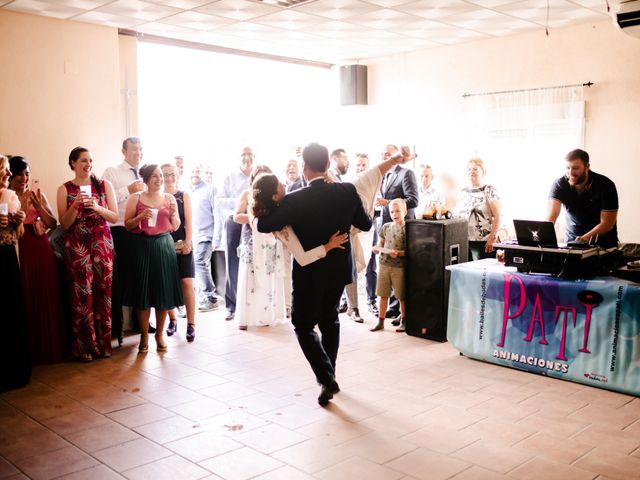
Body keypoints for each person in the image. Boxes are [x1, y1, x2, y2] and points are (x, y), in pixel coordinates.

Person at [257, 142, 372, 407]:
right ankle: (328, 375)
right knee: (330, 320)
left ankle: (326, 377)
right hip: (338, 268)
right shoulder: (347, 190)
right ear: (328, 165)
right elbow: (365, 223)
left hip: (309, 272)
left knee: (303, 325)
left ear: (305, 167)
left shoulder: (294, 199)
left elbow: (264, 224)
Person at [57, 147, 118, 362]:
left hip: (102, 245)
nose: (88, 164)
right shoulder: (64, 189)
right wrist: (75, 205)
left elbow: (114, 216)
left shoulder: (103, 185)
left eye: (90, 160)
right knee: (82, 295)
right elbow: (64, 223)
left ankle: (104, 345)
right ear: (73, 163)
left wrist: (98, 208)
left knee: (104, 292)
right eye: (83, 160)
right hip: (77, 246)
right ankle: (85, 347)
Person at [9, 156, 66, 364]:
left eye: (28, 173)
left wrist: (39, 207)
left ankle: (49, 348)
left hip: (41, 249)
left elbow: (53, 223)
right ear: (11, 175)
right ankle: (29, 351)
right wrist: (22, 208)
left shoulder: (38, 195)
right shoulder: (5, 197)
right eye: (21, 174)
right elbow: (9, 226)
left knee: (45, 294)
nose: (25, 178)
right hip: (20, 247)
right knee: (25, 294)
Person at [123, 164, 183, 353]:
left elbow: (175, 226)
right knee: (143, 293)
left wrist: (173, 212)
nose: (159, 179)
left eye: (161, 176)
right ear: (146, 179)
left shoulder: (169, 198)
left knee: (163, 292)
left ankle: (159, 335)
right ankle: (143, 335)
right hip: (142, 246)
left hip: (164, 246)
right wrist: (140, 216)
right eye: (155, 176)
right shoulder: (136, 198)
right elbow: (127, 225)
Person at [102, 137, 145, 344]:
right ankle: (118, 325)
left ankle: (141, 321)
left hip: (141, 230)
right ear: (124, 151)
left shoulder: (145, 174)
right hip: (118, 230)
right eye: (134, 149)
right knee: (121, 279)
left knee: (140, 276)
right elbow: (103, 200)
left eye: (140, 149)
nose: (138, 152)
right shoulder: (112, 172)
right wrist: (128, 190)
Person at [233, 165, 286, 330]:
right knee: (249, 275)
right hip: (251, 240)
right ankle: (245, 317)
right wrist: (253, 218)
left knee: (268, 276)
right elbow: (236, 216)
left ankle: (264, 316)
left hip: (269, 240)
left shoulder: (274, 196)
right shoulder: (247, 194)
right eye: (259, 175)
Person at [376, 144, 419, 320]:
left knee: (401, 271)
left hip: (403, 228)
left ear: (398, 155)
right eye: (382, 154)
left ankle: (404, 314)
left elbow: (413, 200)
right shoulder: (385, 175)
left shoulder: (406, 173)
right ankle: (393, 308)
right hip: (387, 227)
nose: (384, 156)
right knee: (388, 268)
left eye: (388, 153)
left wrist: (389, 203)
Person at [0, 154, 31, 391]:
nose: (8, 175)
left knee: (11, 308)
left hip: (7, 256)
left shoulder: (9, 197)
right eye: (4, 170)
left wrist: (17, 220)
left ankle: (15, 370)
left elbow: (18, 234)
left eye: (9, 170)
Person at [546, 148, 618, 248]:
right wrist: (541, 235)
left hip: (603, 246)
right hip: (571, 245)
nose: (570, 173)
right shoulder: (559, 185)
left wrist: (584, 239)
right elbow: (552, 215)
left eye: (575, 168)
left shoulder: (606, 185)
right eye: (568, 168)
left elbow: (607, 223)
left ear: (587, 167)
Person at [216, 147, 254, 321]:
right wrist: (241, 201)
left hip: (253, 222)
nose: (246, 158)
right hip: (234, 221)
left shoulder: (258, 175)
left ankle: (251, 305)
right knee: (232, 262)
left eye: (249, 155)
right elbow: (219, 201)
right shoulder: (229, 177)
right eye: (243, 155)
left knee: (252, 262)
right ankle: (231, 306)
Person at [162, 163, 196, 341]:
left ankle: (191, 324)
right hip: (164, 246)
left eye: (172, 174)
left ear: (178, 175)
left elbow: (189, 222)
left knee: (187, 283)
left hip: (183, 243)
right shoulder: (158, 197)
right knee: (167, 284)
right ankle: (172, 320)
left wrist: (188, 243)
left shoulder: (184, 196)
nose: (169, 178)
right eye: (165, 174)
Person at [370, 198, 407, 333]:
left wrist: (398, 253)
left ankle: (404, 321)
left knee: (401, 296)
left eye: (398, 211)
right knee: (383, 294)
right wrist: (377, 248)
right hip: (384, 265)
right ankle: (380, 321)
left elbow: (411, 251)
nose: (394, 214)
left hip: (398, 267)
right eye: (392, 212)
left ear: (405, 211)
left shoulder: (407, 229)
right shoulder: (386, 226)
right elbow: (381, 243)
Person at [455, 157, 501, 261]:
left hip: (484, 242)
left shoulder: (489, 189)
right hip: (464, 241)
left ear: (483, 171)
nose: (471, 171)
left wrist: (492, 238)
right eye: (469, 169)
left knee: (482, 275)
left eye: (475, 169)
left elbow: (499, 215)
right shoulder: (462, 192)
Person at [190, 164, 218, 312]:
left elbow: (217, 214)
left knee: (200, 263)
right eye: (193, 170)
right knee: (198, 266)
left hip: (207, 235)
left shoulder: (211, 190)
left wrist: (217, 237)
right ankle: (202, 298)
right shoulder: (189, 192)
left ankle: (211, 298)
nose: (195, 173)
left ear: (202, 173)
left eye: (198, 171)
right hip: (193, 237)